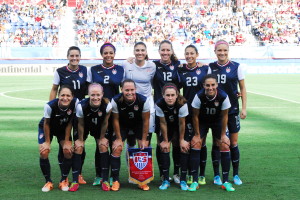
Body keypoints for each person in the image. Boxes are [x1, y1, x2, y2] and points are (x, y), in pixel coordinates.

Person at [209, 39, 247, 185]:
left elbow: (242, 88)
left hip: (232, 111)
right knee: (218, 143)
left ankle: (236, 174)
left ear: (228, 51)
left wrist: (243, 108)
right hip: (217, 113)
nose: (222, 53)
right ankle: (217, 175)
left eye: (225, 50)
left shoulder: (236, 67)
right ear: (215, 52)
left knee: (233, 143)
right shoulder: (210, 67)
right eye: (219, 50)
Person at [49, 46, 88, 185]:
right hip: (64, 112)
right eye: (72, 56)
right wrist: (52, 107)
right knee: (64, 143)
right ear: (67, 57)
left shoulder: (84, 70)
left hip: (80, 114)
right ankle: (64, 176)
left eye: (77, 55)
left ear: (80, 57)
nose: (74, 58)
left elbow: (89, 89)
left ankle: (79, 174)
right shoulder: (60, 72)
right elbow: (54, 89)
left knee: (79, 144)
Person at [87, 43, 125, 186]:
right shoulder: (94, 70)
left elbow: (123, 91)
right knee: (100, 144)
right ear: (101, 54)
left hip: (115, 112)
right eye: (105, 53)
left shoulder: (121, 69)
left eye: (111, 53)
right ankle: (100, 175)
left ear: (114, 54)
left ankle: (113, 177)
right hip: (98, 112)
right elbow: (90, 89)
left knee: (114, 144)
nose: (108, 55)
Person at [192, 74, 235, 192]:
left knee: (224, 144)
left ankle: (225, 181)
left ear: (217, 85)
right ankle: (195, 181)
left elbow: (225, 115)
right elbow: (195, 116)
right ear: (203, 86)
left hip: (217, 121)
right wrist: (196, 135)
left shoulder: (223, 96)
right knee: (196, 144)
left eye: (212, 85)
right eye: (207, 85)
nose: (210, 88)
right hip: (202, 121)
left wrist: (223, 135)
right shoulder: (199, 96)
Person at [177, 44, 211, 185]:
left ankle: (201, 174)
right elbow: (176, 89)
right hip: (187, 111)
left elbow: (212, 86)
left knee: (200, 143)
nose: (189, 56)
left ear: (197, 54)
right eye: (187, 53)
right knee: (187, 143)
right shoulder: (181, 70)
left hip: (202, 112)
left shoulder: (204, 69)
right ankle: (189, 173)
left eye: (192, 53)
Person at [110, 79, 151, 191]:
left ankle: (141, 180)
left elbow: (146, 121)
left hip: (138, 124)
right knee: (117, 148)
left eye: (132, 90)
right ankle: (115, 180)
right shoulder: (115, 100)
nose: (129, 92)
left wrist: (143, 139)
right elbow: (115, 120)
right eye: (126, 90)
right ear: (121, 90)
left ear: (136, 89)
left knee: (144, 148)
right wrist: (118, 138)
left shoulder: (143, 100)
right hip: (122, 125)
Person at [38, 85, 79, 192]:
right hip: (48, 128)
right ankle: (48, 181)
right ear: (58, 96)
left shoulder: (75, 103)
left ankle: (63, 180)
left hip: (63, 128)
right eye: (62, 95)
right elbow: (46, 124)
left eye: (68, 95)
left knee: (68, 150)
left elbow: (70, 122)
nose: (65, 98)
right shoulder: (49, 106)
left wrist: (66, 140)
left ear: (72, 96)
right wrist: (47, 142)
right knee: (44, 152)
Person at [152, 40, 181, 183]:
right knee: (161, 141)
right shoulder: (153, 65)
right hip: (159, 108)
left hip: (175, 109)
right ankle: (163, 174)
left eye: (167, 50)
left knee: (175, 141)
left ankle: (176, 173)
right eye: (162, 50)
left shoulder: (177, 65)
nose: (165, 52)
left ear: (171, 51)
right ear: (159, 51)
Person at [75, 83, 112, 191]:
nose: (95, 97)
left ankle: (103, 178)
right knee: (78, 147)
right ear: (88, 95)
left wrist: (101, 138)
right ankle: (76, 178)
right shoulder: (81, 106)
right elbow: (80, 124)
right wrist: (81, 140)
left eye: (98, 95)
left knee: (103, 145)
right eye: (92, 95)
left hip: (99, 126)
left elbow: (105, 123)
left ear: (102, 94)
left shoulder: (107, 105)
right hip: (84, 125)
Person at [155, 83, 190, 191]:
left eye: (172, 95)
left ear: (176, 95)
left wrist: (181, 140)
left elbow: (182, 124)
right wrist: (165, 140)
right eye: (167, 95)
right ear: (163, 95)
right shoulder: (159, 104)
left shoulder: (182, 103)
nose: (170, 98)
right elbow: (163, 123)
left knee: (183, 147)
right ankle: (165, 179)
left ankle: (181, 178)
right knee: (165, 147)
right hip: (167, 126)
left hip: (180, 126)